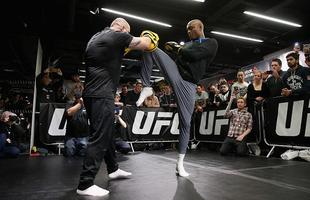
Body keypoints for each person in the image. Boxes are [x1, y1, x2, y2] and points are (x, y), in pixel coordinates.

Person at [76, 17, 157, 197]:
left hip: (92, 93)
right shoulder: (117, 35)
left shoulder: (96, 37)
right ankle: (85, 183)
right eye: (127, 32)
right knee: (99, 137)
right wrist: (148, 36)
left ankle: (113, 169)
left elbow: (111, 54)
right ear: (122, 28)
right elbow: (145, 44)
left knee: (108, 132)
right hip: (101, 94)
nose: (127, 35)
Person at [136, 19, 218, 177]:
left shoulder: (211, 43)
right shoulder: (186, 44)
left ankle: (180, 164)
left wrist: (178, 49)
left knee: (185, 123)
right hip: (176, 73)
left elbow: (195, 55)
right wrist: (175, 53)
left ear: (200, 28)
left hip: (188, 84)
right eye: (187, 29)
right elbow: (180, 60)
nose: (188, 31)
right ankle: (146, 86)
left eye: (191, 28)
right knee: (150, 43)